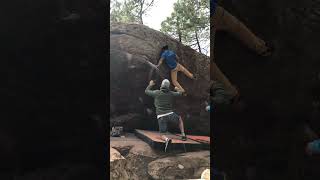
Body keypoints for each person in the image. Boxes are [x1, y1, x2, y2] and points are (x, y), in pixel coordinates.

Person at [211, 4, 274, 101]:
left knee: (208, 63)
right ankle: (263, 48)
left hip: (207, 17)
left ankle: (230, 93)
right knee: (237, 27)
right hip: (214, 12)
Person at [145, 79, 187, 152]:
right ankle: (183, 135)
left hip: (160, 116)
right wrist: (177, 88)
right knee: (179, 119)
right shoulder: (171, 93)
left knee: (162, 134)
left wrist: (150, 84)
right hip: (170, 114)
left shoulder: (156, 93)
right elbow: (181, 93)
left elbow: (146, 91)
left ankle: (167, 139)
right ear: (168, 86)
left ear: (161, 85)